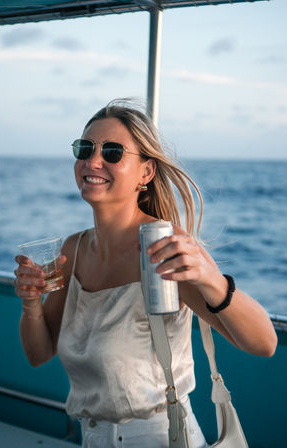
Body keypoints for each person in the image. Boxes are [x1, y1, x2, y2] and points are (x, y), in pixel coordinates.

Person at [14, 99, 277, 448]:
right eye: (85, 148)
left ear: (146, 173)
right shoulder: (72, 251)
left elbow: (265, 344)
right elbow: (38, 354)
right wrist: (31, 304)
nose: (93, 161)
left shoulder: (164, 248)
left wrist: (211, 280)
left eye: (112, 152)